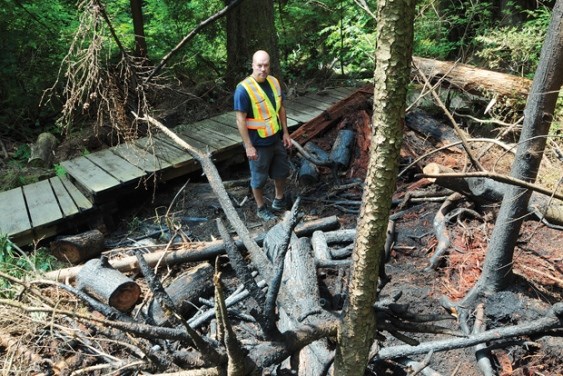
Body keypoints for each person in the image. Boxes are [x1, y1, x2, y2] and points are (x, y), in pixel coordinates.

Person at [234, 50, 292, 221]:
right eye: (259, 65)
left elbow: (280, 108)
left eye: (266, 65)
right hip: (257, 143)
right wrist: (248, 146)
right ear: (252, 65)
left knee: (281, 171)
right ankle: (261, 208)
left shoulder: (274, 82)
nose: (263, 69)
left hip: (275, 138)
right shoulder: (243, 89)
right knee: (258, 178)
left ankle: (279, 200)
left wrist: (286, 133)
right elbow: (240, 119)